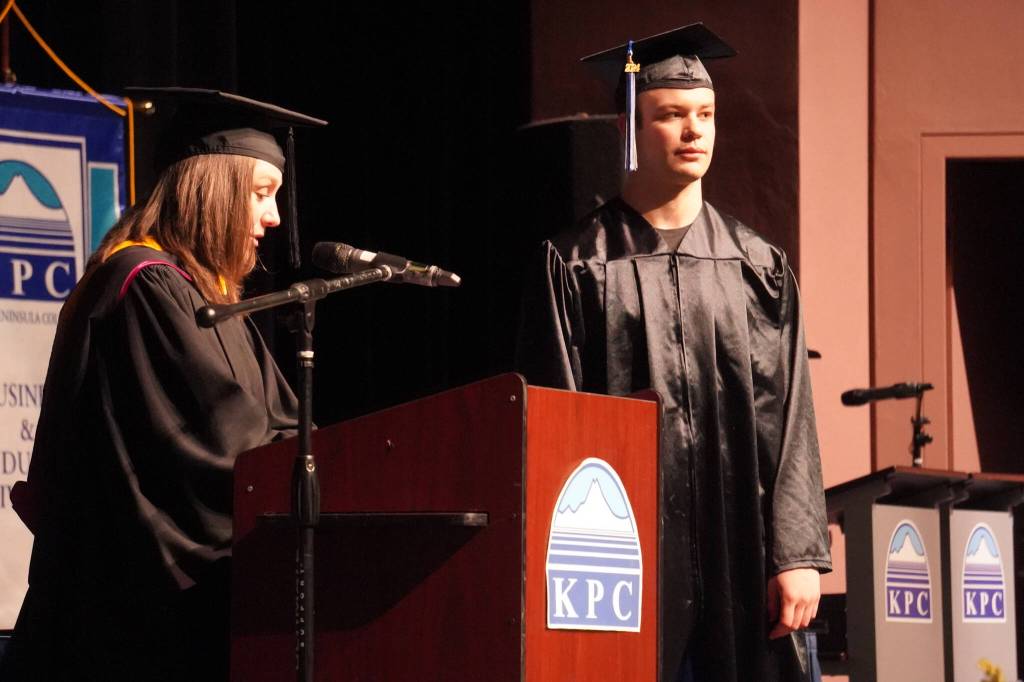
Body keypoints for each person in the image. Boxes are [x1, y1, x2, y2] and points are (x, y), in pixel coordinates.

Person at [515, 24, 831, 682]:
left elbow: (793, 416)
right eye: (672, 115)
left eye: (707, 115)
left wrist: (797, 552)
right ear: (630, 126)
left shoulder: (758, 266)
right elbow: (556, 426)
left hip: (742, 552)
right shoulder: (576, 263)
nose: (696, 131)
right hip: (621, 556)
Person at [0, 89, 324, 681]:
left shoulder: (205, 299)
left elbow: (280, 423)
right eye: (260, 194)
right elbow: (219, 452)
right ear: (213, 189)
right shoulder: (144, 286)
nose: (274, 218)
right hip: (118, 636)